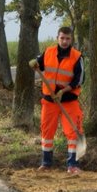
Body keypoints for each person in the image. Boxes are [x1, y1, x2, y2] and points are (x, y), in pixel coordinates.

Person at [29, 27, 85, 174]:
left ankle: (73, 165)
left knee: (74, 132)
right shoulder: (48, 52)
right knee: (47, 132)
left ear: (71, 39)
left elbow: (79, 80)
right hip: (49, 101)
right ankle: (46, 164)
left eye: (67, 38)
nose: (65, 41)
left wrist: (62, 91)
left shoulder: (77, 57)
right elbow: (39, 64)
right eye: (62, 38)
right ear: (57, 38)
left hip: (69, 101)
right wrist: (34, 64)